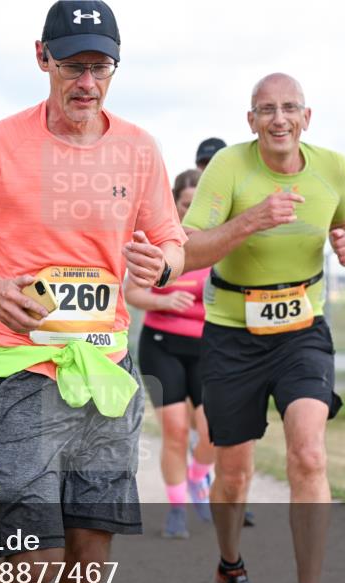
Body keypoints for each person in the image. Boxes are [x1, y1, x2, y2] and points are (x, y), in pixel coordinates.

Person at [0, 2, 186, 583]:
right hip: (23, 370)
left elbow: (171, 239)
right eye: (73, 66)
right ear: (42, 57)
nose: (87, 83)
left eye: (100, 67)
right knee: (36, 555)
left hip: (106, 374)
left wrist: (166, 260)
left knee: (90, 551)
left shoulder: (139, 148)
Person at [183, 73, 345, 583]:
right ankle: (230, 566)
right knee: (233, 475)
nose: (279, 119)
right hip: (233, 333)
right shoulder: (229, 169)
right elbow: (187, 251)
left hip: (301, 330)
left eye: (289, 108)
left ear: (306, 117)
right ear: (251, 120)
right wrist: (250, 221)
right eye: (267, 110)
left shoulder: (334, 167)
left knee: (308, 453)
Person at [124, 168, 213, 539]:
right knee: (176, 432)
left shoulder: (217, 245)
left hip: (210, 347)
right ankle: (177, 508)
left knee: (213, 432)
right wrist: (166, 300)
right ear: (174, 205)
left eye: (198, 206)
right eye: (185, 205)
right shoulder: (162, 244)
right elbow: (132, 293)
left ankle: (196, 479)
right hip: (162, 345)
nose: (191, 213)